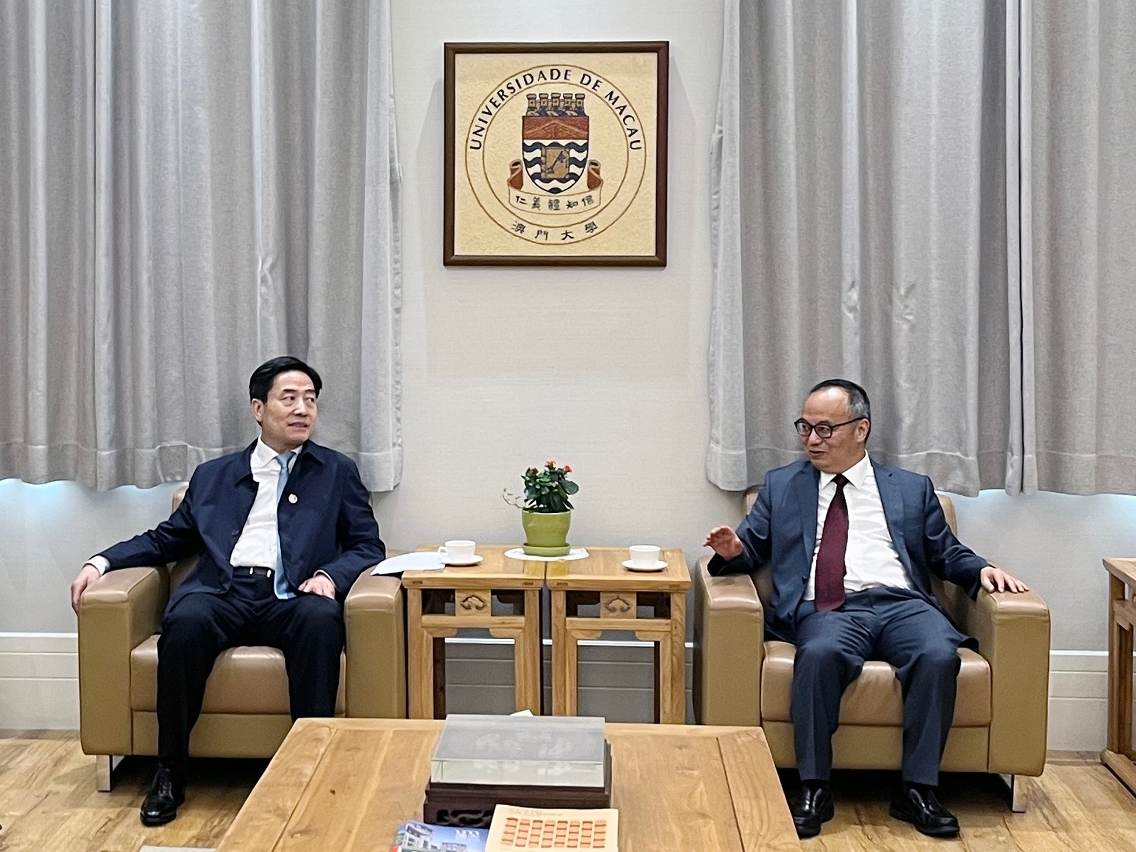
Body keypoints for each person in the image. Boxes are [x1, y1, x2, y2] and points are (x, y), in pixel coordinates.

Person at [703, 379, 1028, 840]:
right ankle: (814, 787)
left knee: (938, 655)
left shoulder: (911, 489)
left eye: (825, 428)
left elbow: (945, 552)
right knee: (818, 655)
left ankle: (917, 789)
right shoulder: (783, 485)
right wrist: (733, 549)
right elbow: (750, 546)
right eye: (805, 427)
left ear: (861, 429)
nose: (812, 440)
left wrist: (982, 570)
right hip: (830, 607)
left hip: (903, 605)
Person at [69, 356, 385, 826]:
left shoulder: (336, 472)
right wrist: (102, 561)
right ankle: (170, 773)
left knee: (320, 621)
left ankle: (312, 767)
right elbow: (167, 539)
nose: (303, 409)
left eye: (311, 400)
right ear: (259, 409)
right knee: (184, 624)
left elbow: (367, 545)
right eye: (289, 398)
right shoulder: (214, 475)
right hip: (223, 592)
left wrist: (329, 576)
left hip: (293, 596)